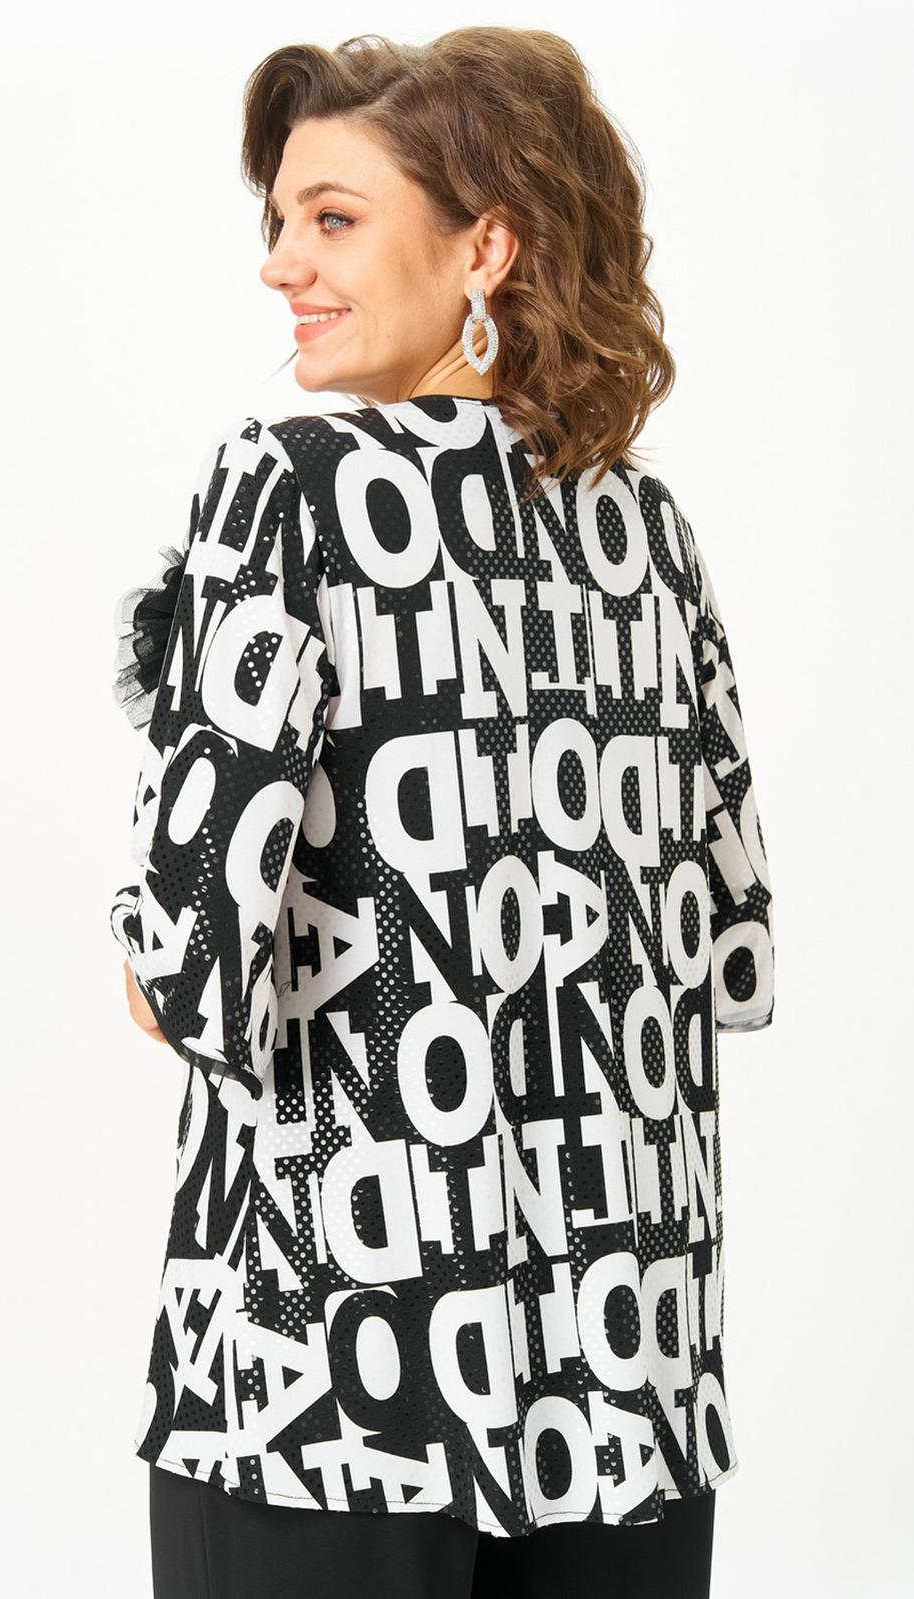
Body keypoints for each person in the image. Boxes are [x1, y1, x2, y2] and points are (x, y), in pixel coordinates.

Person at [108, 26, 774, 1599]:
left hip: (325, 1374)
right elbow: (725, 945)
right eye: (279, 220)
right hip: (622, 1374)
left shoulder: (286, 487)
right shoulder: (649, 537)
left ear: (486, 244)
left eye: (333, 218)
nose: (281, 264)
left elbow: (181, 969)